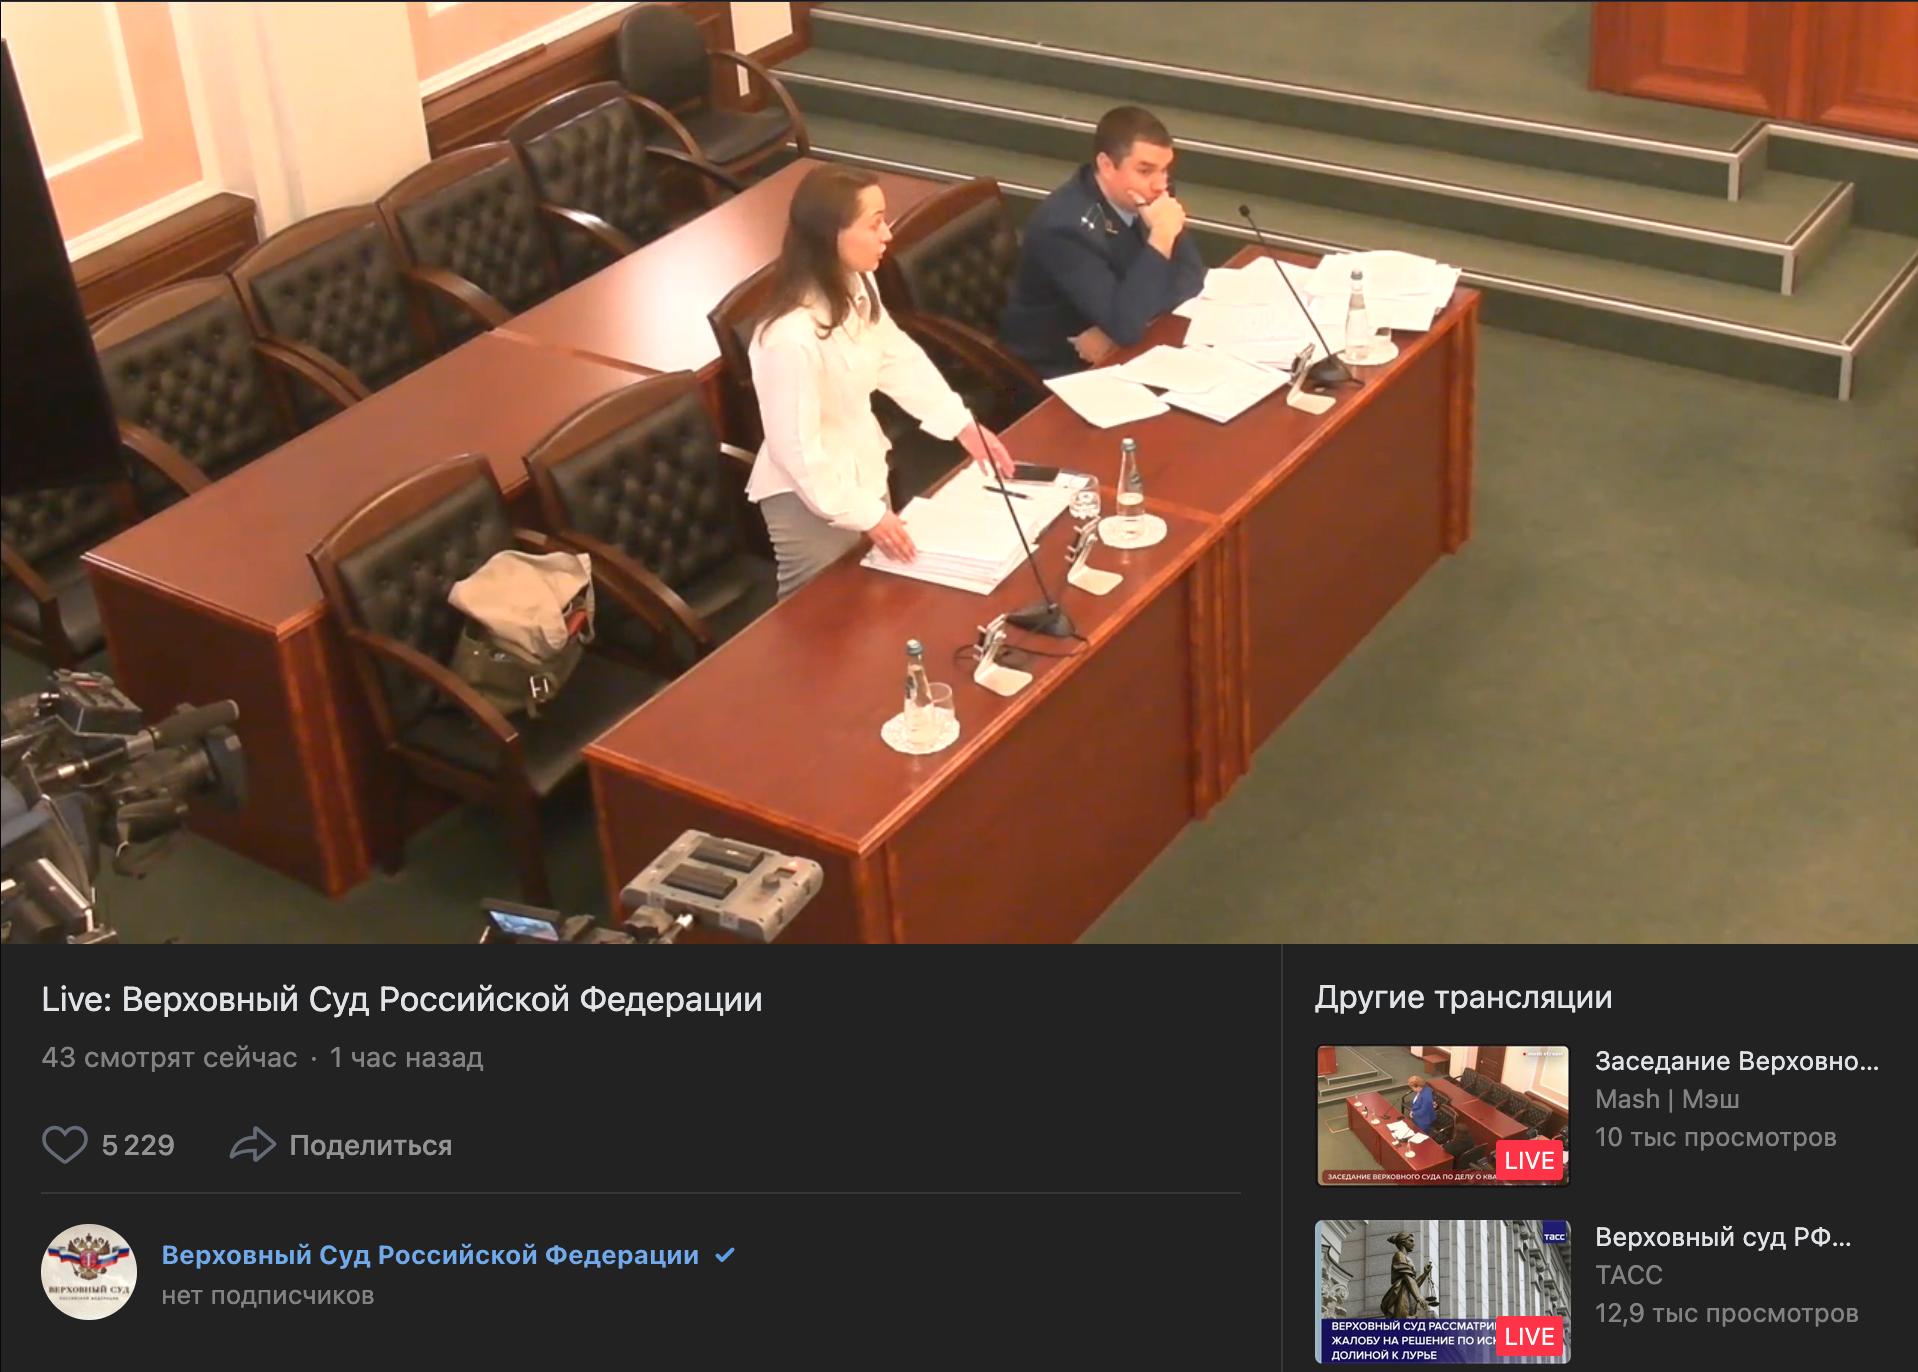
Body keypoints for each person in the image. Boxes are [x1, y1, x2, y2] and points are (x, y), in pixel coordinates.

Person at [747, 165, 1015, 598]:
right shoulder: (786, 337)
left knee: (879, 603)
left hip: (864, 475)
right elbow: (797, 452)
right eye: (874, 225)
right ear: (831, 235)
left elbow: (895, 356)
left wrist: (961, 423)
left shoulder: (857, 280)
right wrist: (866, 514)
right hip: (810, 503)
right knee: (824, 616)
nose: (887, 234)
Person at [999, 105, 1206, 378]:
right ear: (1106, 166)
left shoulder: (1151, 193)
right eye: (1145, 171)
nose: (1160, 184)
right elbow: (1128, 328)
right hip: (1059, 368)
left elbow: (1192, 277)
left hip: (1119, 346)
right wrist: (1161, 239)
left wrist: (1114, 330)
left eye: (1165, 169)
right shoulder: (1064, 228)